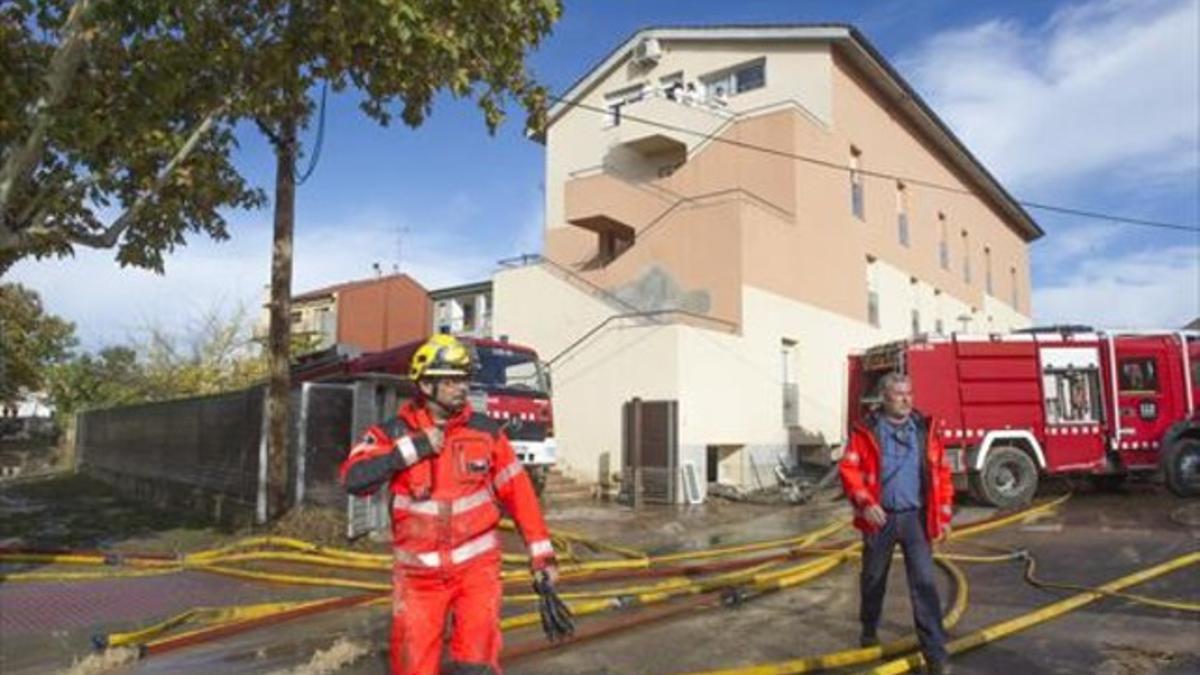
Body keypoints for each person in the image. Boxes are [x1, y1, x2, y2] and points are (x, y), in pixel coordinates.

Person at [340, 334, 569, 674]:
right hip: (419, 581)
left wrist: (542, 556)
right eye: (450, 380)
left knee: (476, 664)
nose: (461, 387)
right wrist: (411, 449)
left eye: (464, 378)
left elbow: (520, 495)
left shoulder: (486, 432)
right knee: (413, 665)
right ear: (426, 385)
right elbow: (354, 479)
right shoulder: (392, 433)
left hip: (477, 574)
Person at [839, 372, 954, 674]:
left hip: (916, 519)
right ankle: (869, 627)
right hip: (880, 519)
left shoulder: (924, 429)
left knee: (925, 584)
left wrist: (943, 516)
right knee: (874, 578)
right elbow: (849, 470)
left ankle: (935, 655)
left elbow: (941, 473)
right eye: (899, 394)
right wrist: (865, 503)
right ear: (884, 397)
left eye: (910, 393)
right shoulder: (866, 430)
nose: (906, 399)